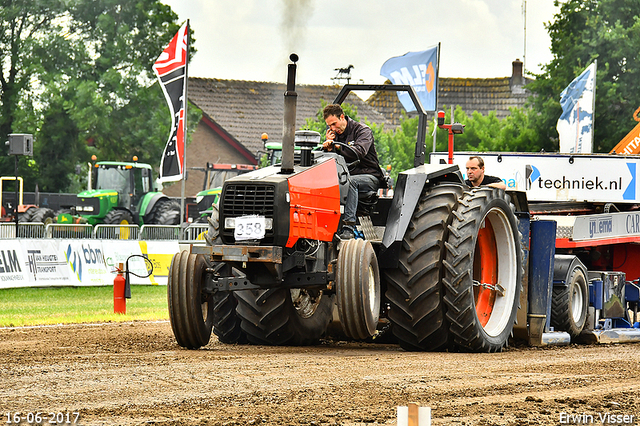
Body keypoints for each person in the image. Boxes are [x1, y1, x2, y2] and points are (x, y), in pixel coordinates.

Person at [322, 104, 385, 239]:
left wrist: (337, 147)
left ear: (342, 117)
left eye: (334, 124)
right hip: (345, 176)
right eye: (329, 126)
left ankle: (348, 226)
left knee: (350, 182)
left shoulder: (362, 131)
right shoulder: (335, 137)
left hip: (369, 176)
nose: (333, 128)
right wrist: (328, 148)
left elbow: (359, 152)